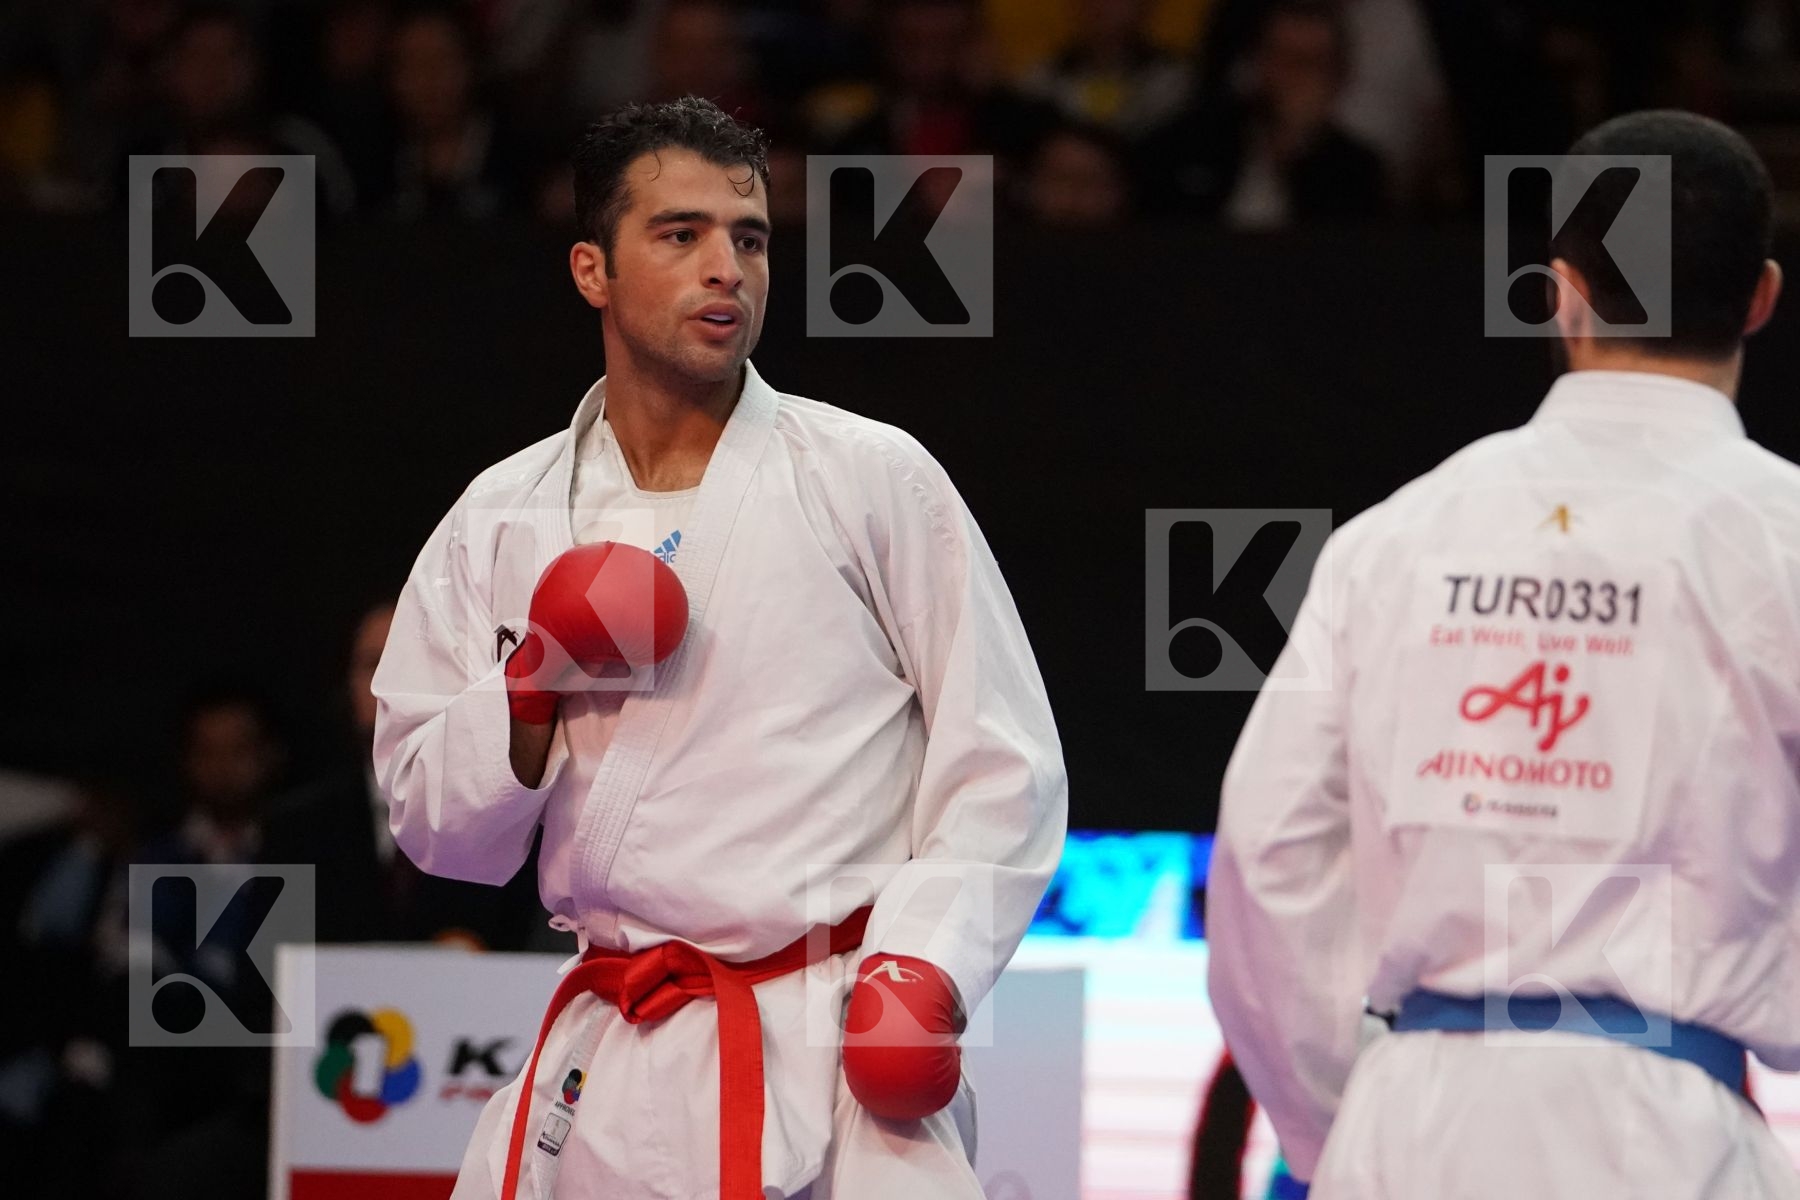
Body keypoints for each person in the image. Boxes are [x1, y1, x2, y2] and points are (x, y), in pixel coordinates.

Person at [372, 95, 1066, 1199]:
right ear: (592, 270)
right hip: (611, 1059)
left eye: (749, 238)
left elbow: (1005, 761)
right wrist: (532, 682)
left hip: (832, 1049)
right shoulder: (501, 514)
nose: (726, 269)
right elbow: (432, 827)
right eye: (681, 234)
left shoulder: (869, 477)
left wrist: (924, 970)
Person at [1207, 109, 1800, 1197]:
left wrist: (1340, 1127)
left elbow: (1266, 858)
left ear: (1560, 288)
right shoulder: (1785, 542)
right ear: (1761, 298)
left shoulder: (1393, 538)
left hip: (1406, 1128)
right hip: (1670, 1141)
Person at [262, 600, 542, 948]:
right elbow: (266, 981)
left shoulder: (504, 823)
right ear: (346, 684)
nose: (389, 682)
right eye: (373, 664)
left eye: (409, 663)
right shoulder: (295, 831)